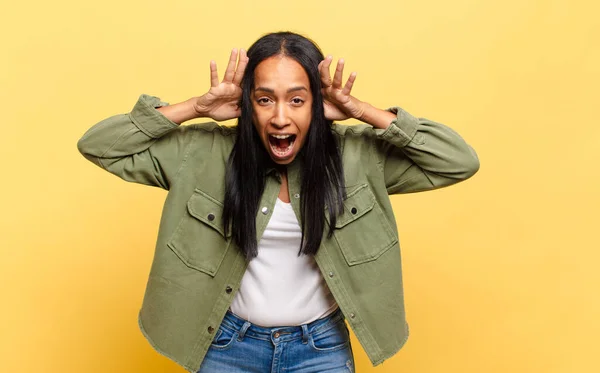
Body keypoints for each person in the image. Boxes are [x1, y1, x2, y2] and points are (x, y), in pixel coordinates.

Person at [77, 31, 479, 373]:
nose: (281, 118)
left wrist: (362, 110)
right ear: (246, 103)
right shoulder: (199, 153)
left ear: (318, 105)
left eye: (298, 100)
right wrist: (195, 107)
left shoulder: (358, 157)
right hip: (226, 347)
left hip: (320, 349)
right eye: (265, 99)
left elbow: (458, 161)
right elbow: (99, 146)